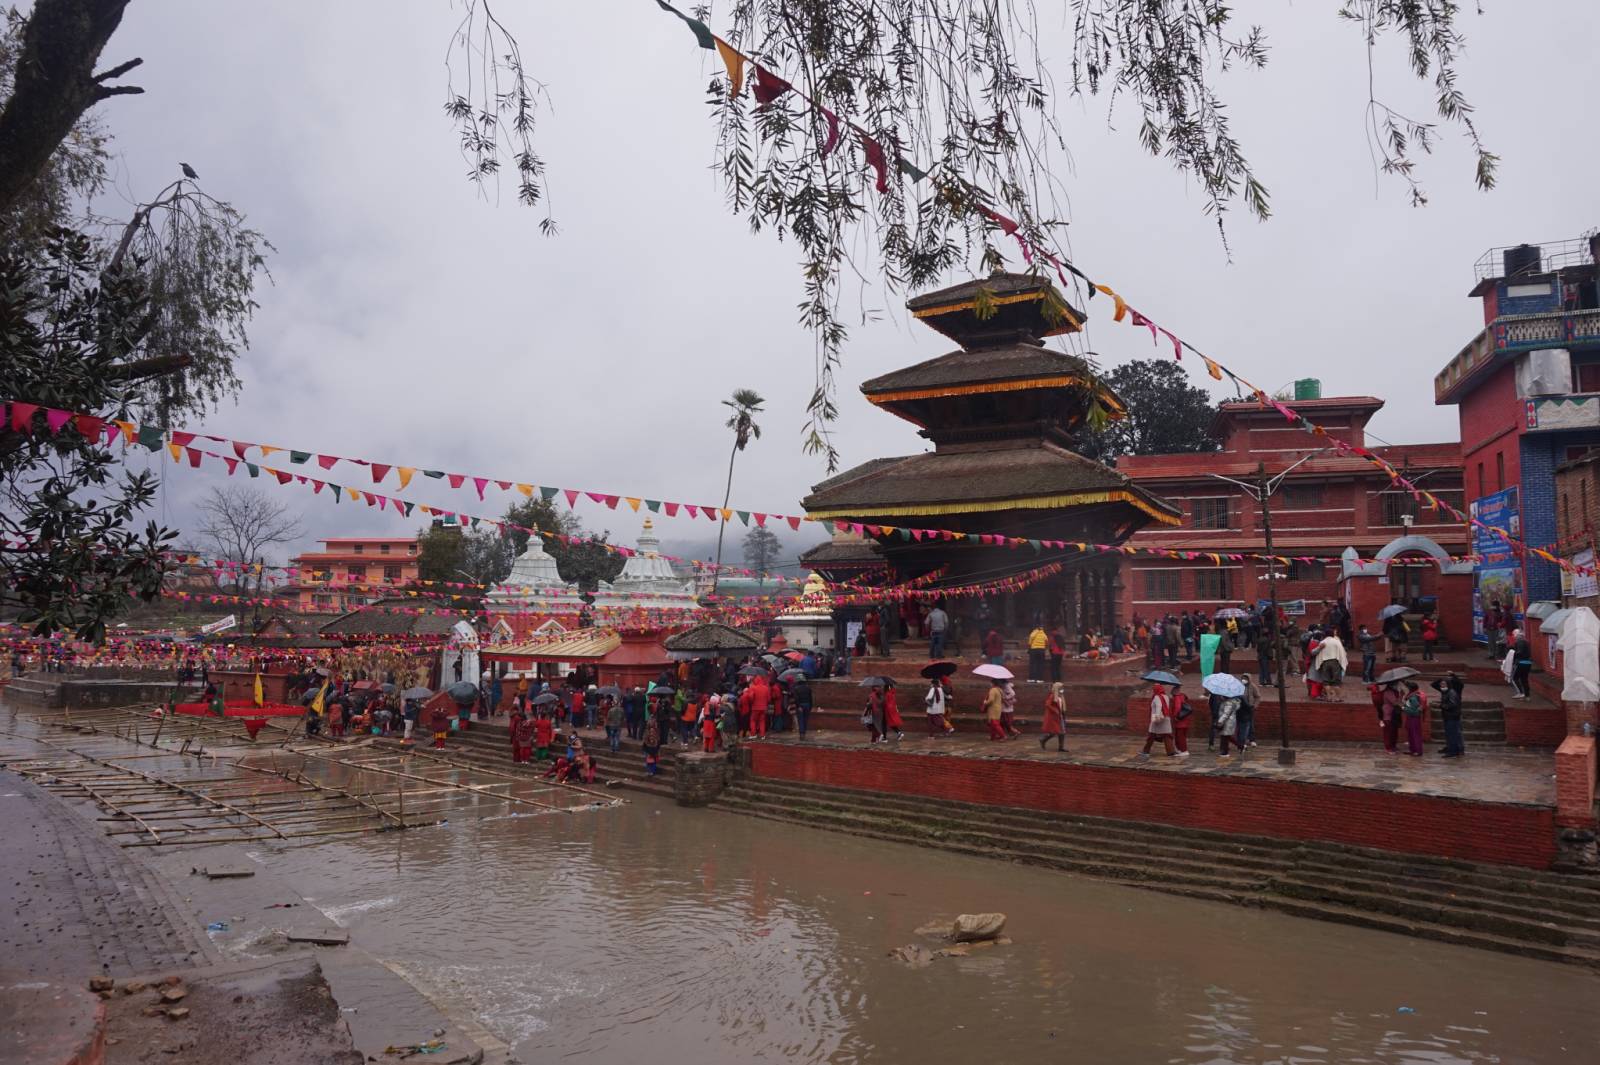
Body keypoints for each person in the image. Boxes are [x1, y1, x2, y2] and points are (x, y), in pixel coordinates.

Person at [1433, 673, 1465, 757]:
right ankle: (1451, 749)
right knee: (1449, 734)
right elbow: (1433, 684)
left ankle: (1454, 751)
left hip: (1452, 716)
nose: (1442, 686)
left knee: (1453, 734)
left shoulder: (1452, 692)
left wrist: (1441, 706)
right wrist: (1441, 678)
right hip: (1448, 716)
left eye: (1444, 684)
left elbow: (1452, 704)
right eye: (1441, 684)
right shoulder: (1445, 692)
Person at [1140, 682, 1176, 757]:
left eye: (1154, 689)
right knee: (1167, 735)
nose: (1153, 690)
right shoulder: (1166, 696)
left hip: (1158, 718)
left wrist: (1157, 717)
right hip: (1166, 717)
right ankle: (1170, 751)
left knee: (1151, 735)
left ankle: (1146, 751)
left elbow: (1159, 706)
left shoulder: (1156, 697)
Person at [1039, 681, 1067, 753]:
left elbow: (1061, 707)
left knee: (1062, 732)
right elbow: (1047, 704)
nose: (1062, 689)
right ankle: (1043, 739)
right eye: (1061, 688)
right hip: (1054, 717)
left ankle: (1061, 747)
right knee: (1054, 732)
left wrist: (1063, 713)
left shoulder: (1061, 696)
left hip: (1060, 716)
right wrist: (1055, 710)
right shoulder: (1052, 695)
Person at [1401, 680, 1426, 756]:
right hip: (1410, 717)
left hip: (1414, 718)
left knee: (1415, 734)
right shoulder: (1411, 696)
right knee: (1411, 734)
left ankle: (1418, 751)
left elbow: (1415, 711)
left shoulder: (1414, 698)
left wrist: (1403, 708)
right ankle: (1412, 749)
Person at [1380, 681, 1403, 754]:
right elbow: (1395, 703)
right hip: (1388, 715)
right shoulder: (1388, 692)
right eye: (1396, 684)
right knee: (1388, 732)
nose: (1397, 685)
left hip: (1394, 715)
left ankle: (1393, 746)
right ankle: (1388, 748)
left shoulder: (1394, 691)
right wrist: (1401, 696)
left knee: (1394, 732)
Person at [1236, 675, 1258, 749]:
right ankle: (1242, 741)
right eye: (1243, 678)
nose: (1244, 680)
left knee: (1250, 724)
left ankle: (1252, 739)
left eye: (1245, 678)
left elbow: (1258, 696)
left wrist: (1255, 705)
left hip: (1250, 708)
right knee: (1240, 726)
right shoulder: (1239, 686)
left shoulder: (1253, 686)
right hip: (1240, 708)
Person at [1169, 685, 1191, 757]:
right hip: (1185, 719)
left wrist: (1176, 717)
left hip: (1180, 720)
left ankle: (1183, 750)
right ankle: (1180, 750)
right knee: (1182, 736)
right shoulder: (1183, 696)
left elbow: (1177, 708)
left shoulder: (1177, 697)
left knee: (1180, 736)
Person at [1511, 629, 1533, 699]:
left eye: (1513, 635)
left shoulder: (1519, 641)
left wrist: (1513, 654)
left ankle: (1520, 693)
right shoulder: (1526, 641)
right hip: (1528, 663)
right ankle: (1527, 696)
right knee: (1524, 679)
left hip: (1521, 663)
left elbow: (1519, 652)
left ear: (1516, 634)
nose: (1513, 636)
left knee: (1514, 678)